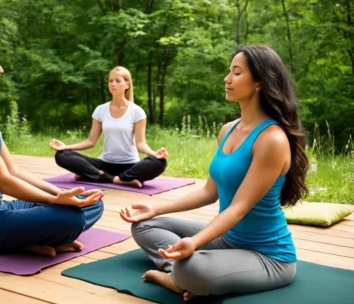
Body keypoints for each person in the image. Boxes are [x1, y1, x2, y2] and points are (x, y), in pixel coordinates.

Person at [121, 45, 309, 300]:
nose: (227, 78)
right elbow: (209, 192)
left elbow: (238, 208)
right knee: (144, 225)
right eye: (229, 71)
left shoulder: (271, 139)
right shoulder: (228, 130)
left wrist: (196, 242)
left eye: (237, 72)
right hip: (227, 238)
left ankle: (183, 276)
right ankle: (186, 278)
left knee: (192, 266)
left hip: (268, 257)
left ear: (259, 83)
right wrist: (155, 209)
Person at [0, 34, 104, 257]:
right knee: (70, 218)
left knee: (89, 204)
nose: (0, 68)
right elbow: (3, 181)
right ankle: (30, 237)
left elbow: (14, 170)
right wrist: (54, 201)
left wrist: (62, 193)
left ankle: (28, 238)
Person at [50, 66, 168, 188]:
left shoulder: (137, 111)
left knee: (159, 162)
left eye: (118, 81)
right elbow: (90, 141)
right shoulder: (100, 110)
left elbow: (141, 144)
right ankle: (116, 179)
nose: (113, 84)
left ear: (127, 84)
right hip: (104, 164)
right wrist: (65, 147)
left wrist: (155, 154)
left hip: (130, 165)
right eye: (110, 81)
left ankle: (97, 176)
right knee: (62, 155)